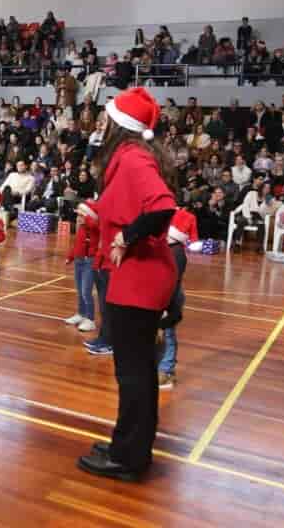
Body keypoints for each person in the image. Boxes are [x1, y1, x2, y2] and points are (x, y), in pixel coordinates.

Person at [77, 86, 177, 482]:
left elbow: (161, 206)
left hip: (140, 278)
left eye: (107, 118)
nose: (101, 122)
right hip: (138, 276)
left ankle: (129, 459)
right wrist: (100, 213)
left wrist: (125, 236)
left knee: (133, 372)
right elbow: (128, 206)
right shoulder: (127, 157)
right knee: (136, 370)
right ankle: (127, 445)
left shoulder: (133, 158)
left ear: (121, 125)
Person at [159, 207, 196, 389]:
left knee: (168, 334)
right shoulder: (168, 249)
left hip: (169, 299)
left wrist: (165, 306)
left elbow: (171, 282)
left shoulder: (176, 253)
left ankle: (167, 372)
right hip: (163, 297)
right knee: (163, 335)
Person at [65, 200, 101, 333]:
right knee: (80, 290)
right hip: (79, 260)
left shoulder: (94, 226)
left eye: (80, 215)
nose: (78, 218)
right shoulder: (81, 228)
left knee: (86, 291)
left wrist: (87, 219)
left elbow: (97, 226)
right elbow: (77, 244)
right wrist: (71, 256)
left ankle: (90, 319)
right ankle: (81, 314)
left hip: (89, 261)